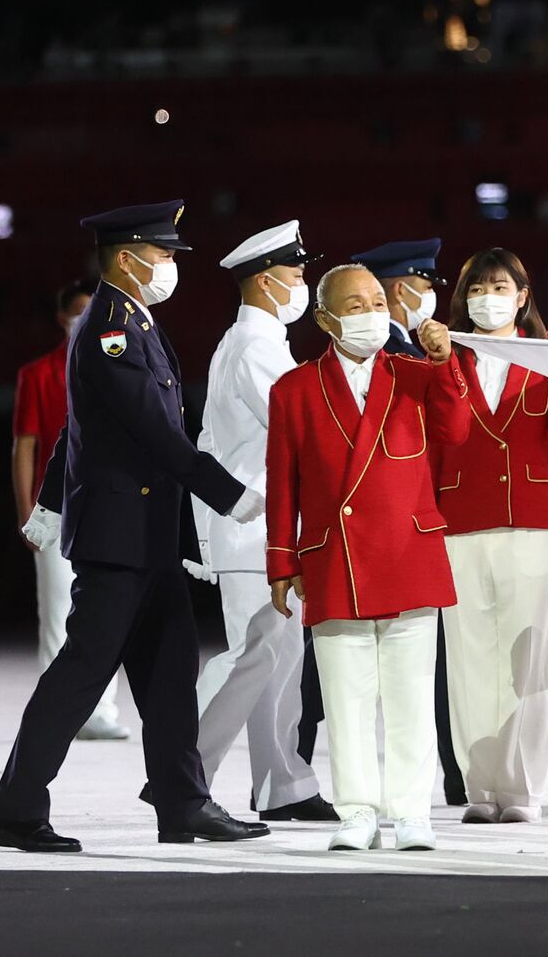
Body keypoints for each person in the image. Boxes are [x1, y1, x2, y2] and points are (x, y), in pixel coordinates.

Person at [0, 201, 271, 853]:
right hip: (120, 542)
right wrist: (234, 498)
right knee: (81, 677)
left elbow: (78, 434)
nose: (171, 266)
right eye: (166, 255)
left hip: (145, 538)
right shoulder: (111, 330)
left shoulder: (130, 323)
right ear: (128, 258)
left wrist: (51, 508)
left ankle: (183, 805)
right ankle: (17, 811)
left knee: (170, 678)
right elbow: (156, 433)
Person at [265, 263, 471, 852]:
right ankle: (356, 811)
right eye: (355, 305)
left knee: (410, 697)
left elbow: (456, 431)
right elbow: (284, 482)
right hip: (335, 559)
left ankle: (411, 811)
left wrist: (445, 361)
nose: (371, 313)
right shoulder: (294, 389)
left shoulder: (414, 374)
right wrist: (282, 561)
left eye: (378, 300)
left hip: (409, 548)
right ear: (326, 318)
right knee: (345, 698)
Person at [185, 221, 337, 822]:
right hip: (257, 530)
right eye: (298, 276)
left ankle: (283, 785)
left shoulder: (253, 342)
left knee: (277, 665)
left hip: (262, 530)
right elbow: (304, 429)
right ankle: (183, 763)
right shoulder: (255, 347)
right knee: (256, 656)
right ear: (270, 281)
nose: (304, 285)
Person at [435, 248, 548, 823]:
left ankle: (523, 788)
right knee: (470, 660)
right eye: (476, 288)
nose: (486, 298)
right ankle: (480, 786)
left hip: (532, 521)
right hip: (461, 521)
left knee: (527, 659)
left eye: (499, 288)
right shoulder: (448, 356)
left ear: (522, 297)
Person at [351, 236, 466, 805]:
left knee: (428, 660)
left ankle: (453, 773)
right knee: (345, 667)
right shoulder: (381, 353)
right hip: (382, 520)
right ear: (403, 288)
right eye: (425, 285)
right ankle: (291, 768)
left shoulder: (425, 349)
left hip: (423, 515)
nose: (429, 297)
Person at [12, 277, 130, 742]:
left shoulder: (115, 365)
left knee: (106, 610)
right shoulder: (38, 374)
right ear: (64, 318)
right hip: (55, 507)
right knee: (58, 610)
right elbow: (25, 447)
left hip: (105, 504)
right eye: (80, 311)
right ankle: (61, 710)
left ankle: (100, 709)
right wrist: (27, 511)